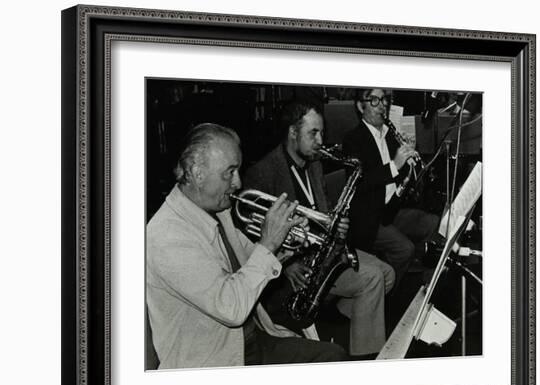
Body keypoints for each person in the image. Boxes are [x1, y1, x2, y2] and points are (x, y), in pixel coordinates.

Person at [146, 123, 347, 369]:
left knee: (333, 356)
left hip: (250, 339)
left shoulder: (216, 211)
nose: (238, 182)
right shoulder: (168, 235)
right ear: (197, 173)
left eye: (238, 170)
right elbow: (231, 308)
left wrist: (286, 243)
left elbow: (251, 260)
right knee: (331, 362)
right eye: (229, 172)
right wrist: (268, 242)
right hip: (213, 361)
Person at [244, 101, 395, 358]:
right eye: (313, 133)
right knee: (372, 279)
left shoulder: (313, 163)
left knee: (388, 273)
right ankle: (366, 358)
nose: (320, 140)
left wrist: (335, 223)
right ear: (293, 133)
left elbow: (320, 211)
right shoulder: (264, 172)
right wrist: (287, 265)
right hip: (296, 266)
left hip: (323, 252)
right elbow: (248, 235)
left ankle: (336, 315)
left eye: (322, 133)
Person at [342, 88, 439, 287]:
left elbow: (399, 177)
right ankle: (383, 290)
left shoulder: (389, 135)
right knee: (405, 249)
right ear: (361, 107)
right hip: (369, 218)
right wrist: (395, 164)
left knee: (434, 223)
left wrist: (410, 160)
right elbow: (361, 182)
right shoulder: (353, 140)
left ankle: (424, 286)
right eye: (375, 100)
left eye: (384, 99)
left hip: (392, 210)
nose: (383, 105)